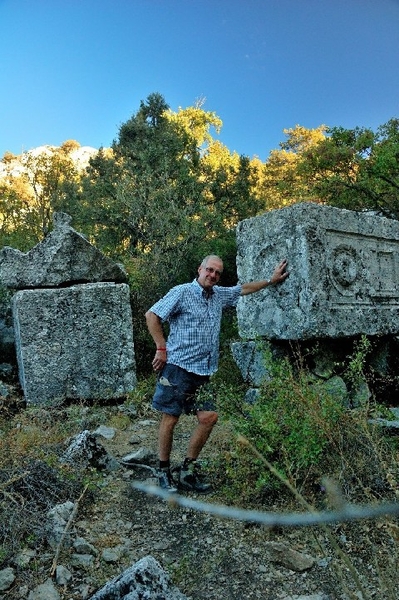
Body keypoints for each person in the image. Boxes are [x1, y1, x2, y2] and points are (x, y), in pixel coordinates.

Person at [145, 254, 288, 493]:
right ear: (199, 269)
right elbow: (152, 315)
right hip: (178, 368)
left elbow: (243, 289)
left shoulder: (219, 295)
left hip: (203, 372)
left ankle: (187, 471)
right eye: (209, 270)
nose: (212, 275)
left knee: (209, 417)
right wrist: (161, 348)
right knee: (170, 419)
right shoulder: (182, 292)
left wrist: (271, 280)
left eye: (217, 273)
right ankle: (163, 471)